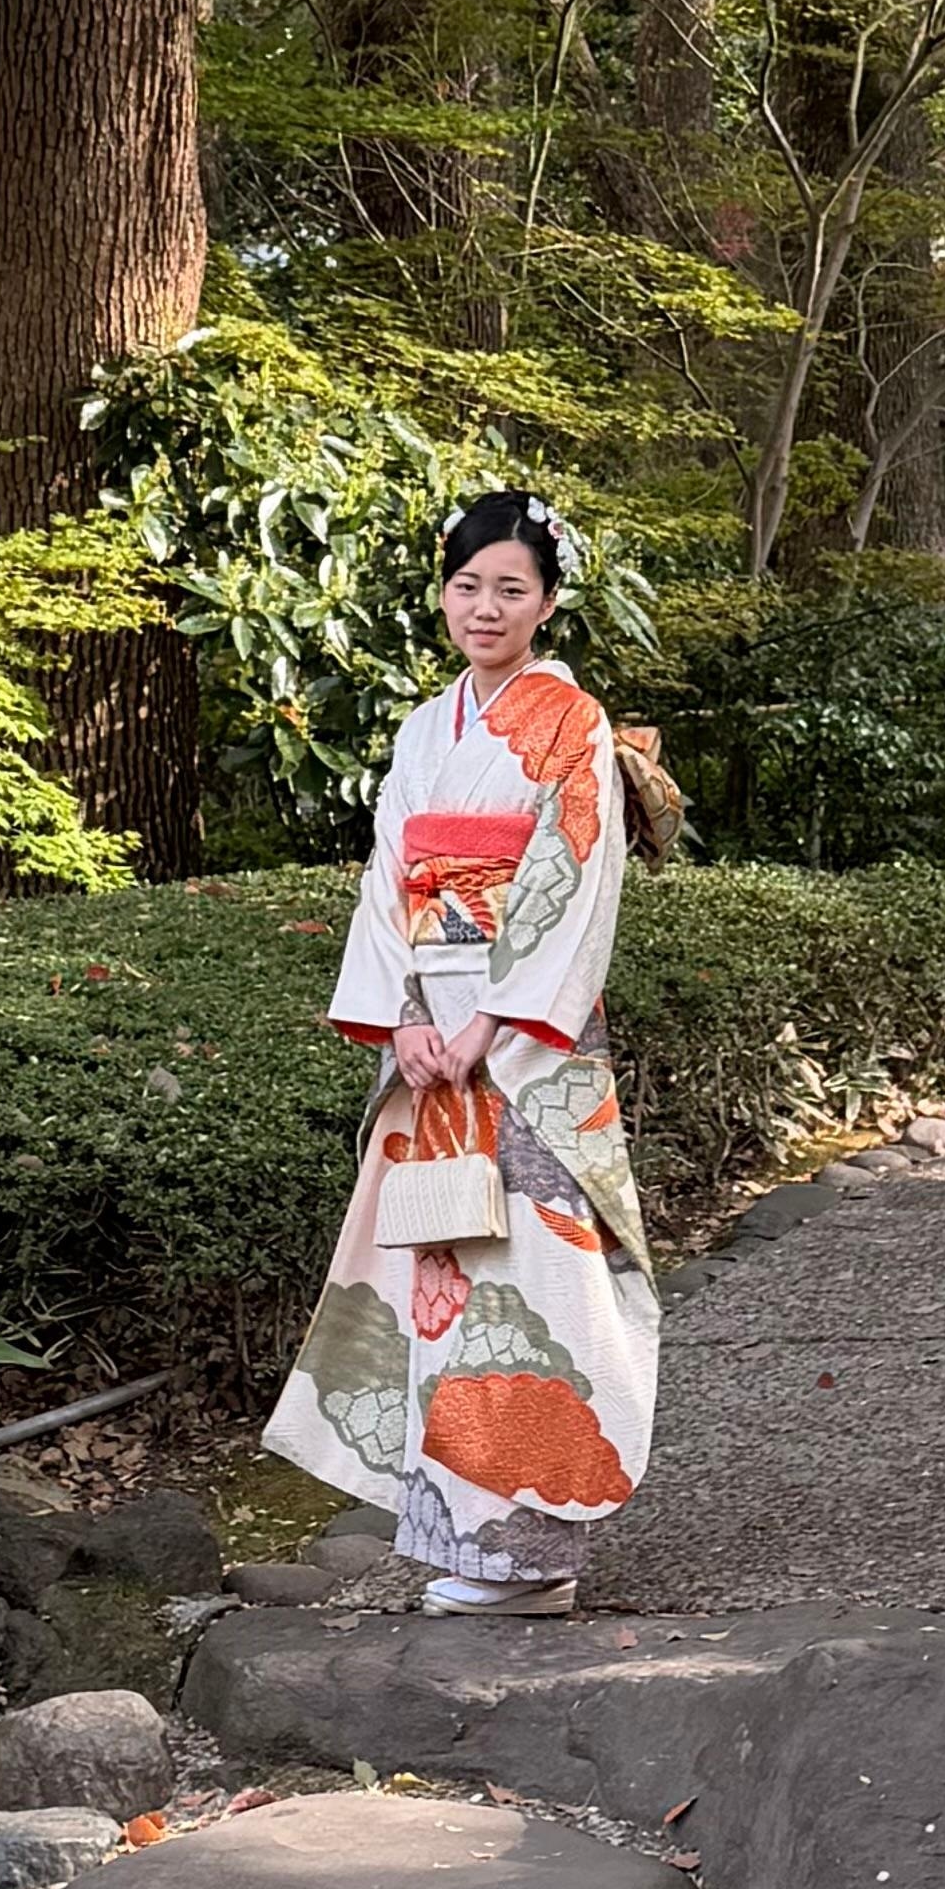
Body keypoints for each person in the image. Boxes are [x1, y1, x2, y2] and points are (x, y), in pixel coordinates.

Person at [261, 486, 657, 1613]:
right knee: (432, 1267)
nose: (485, 607)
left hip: (523, 1045)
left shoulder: (570, 723)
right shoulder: (423, 728)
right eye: (467, 584)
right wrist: (402, 1019)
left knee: (531, 1282)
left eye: (511, 588)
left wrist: (489, 1021)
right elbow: (391, 880)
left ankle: (534, 1555)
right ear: (443, 592)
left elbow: (570, 878)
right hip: (429, 1038)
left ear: (547, 602)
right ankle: (459, 1542)